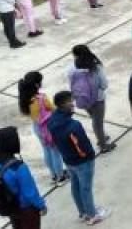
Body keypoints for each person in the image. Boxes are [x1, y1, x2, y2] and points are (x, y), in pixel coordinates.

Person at [48, 91, 111, 225]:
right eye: (70, 101)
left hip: (68, 160)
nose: (73, 104)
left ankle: (83, 212)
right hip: (82, 161)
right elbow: (83, 144)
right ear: (65, 104)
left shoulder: (52, 121)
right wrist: (90, 155)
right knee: (85, 188)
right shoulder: (73, 125)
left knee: (76, 186)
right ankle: (92, 215)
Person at [0, 126, 47, 228]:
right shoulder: (19, 168)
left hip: (11, 206)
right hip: (26, 209)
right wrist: (41, 205)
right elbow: (30, 193)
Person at [17, 72, 67, 186]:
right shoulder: (41, 98)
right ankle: (60, 176)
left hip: (37, 127)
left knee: (46, 150)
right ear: (36, 85)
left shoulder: (25, 100)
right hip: (48, 128)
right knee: (55, 152)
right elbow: (54, 109)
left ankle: (53, 175)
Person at [68, 45, 116, 153]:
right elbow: (104, 85)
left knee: (94, 118)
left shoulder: (72, 69)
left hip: (83, 99)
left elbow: (72, 85)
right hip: (97, 99)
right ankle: (103, 144)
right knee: (98, 122)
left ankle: (101, 136)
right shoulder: (95, 67)